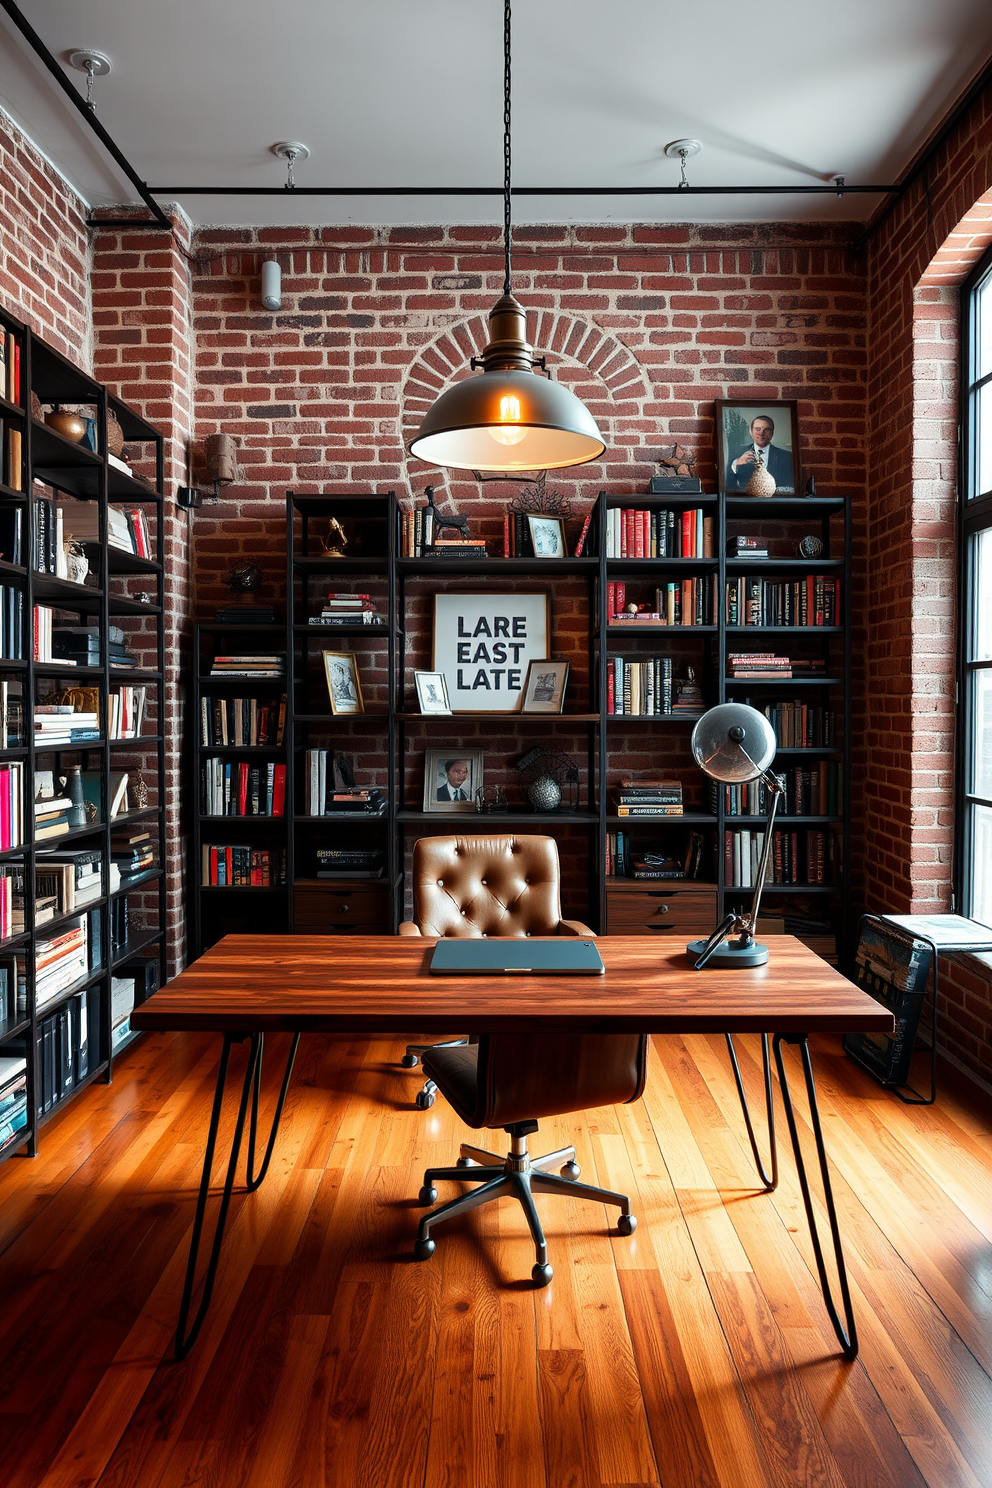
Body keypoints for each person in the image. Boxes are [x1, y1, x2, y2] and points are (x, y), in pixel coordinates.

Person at [724, 414, 795, 491]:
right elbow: (728, 484)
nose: (761, 433)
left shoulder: (786, 456)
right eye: (758, 429)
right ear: (751, 432)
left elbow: (790, 486)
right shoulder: (736, 453)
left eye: (767, 430)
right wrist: (736, 463)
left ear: (772, 433)